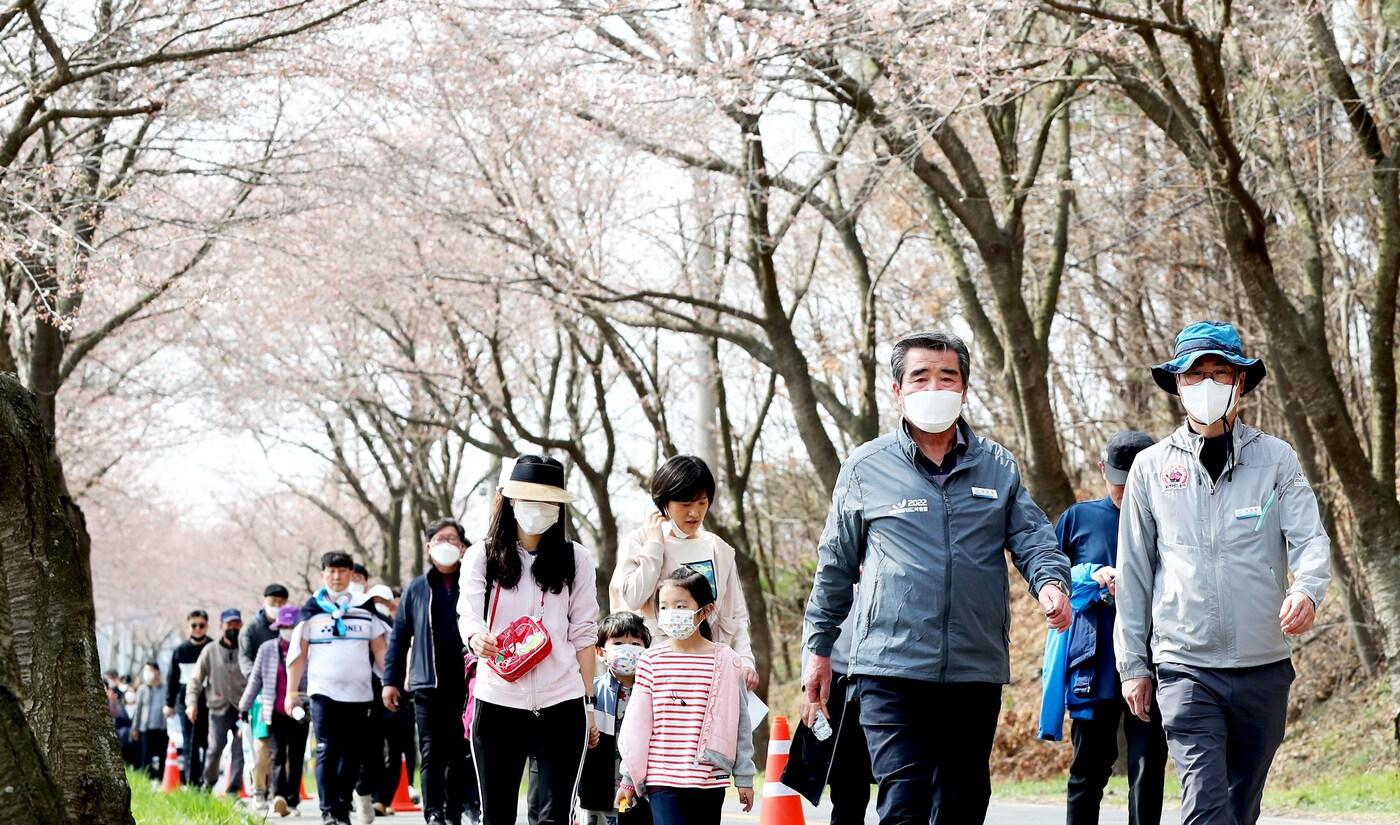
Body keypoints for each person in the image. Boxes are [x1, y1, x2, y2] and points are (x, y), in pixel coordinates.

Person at [802, 330, 1072, 825]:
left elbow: (1033, 537)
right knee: (904, 803)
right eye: (920, 377)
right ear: (897, 390)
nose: (934, 387)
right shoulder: (866, 467)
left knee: (963, 806)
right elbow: (835, 566)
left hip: (974, 667)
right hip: (890, 668)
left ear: (964, 389)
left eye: (947, 377)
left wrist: (1051, 583)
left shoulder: (997, 466)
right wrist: (817, 651)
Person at [1116, 321, 1331, 825]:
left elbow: (1310, 539)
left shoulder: (1276, 459)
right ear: (1178, 385)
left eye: (1220, 372)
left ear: (1240, 384)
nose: (1208, 384)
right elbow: (1134, 572)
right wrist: (1134, 666)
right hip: (1185, 667)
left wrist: (1308, 590)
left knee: (1240, 805)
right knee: (1205, 805)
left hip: (1264, 664)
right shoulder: (1149, 468)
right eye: (1196, 375)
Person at [459, 455, 600, 825]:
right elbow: (468, 613)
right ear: (510, 501)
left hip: (562, 701)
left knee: (556, 816)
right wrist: (476, 638)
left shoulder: (577, 559)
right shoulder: (482, 555)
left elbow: (584, 632)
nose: (539, 509)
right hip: (498, 700)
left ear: (558, 506)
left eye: (548, 501)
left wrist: (588, 703)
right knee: (497, 815)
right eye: (529, 499)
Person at [1041, 430, 1168, 825]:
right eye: (1118, 478)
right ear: (1102, 470)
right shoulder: (1079, 518)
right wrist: (1093, 577)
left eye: (1135, 479)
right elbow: (1047, 577)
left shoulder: (1171, 518)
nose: (1126, 489)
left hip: (1153, 658)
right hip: (1093, 662)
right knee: (1089, 769)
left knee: (1148, 769)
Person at [615, 568, 755, 823]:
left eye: (680, 606)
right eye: (664, 607)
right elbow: (637, 726)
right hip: (662, 780)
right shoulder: (651, 660)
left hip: (709, 781)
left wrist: (744, 776)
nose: (670, 614)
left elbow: (740, 724)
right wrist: (628, 778)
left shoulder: (726, 661)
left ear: (705, 610)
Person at [610, 456, 758, 690]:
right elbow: (633, 598)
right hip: (660, 675)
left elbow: (736, 614)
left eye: (701, 503)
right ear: (664, 503)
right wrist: (654, 547)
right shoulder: (638, 541)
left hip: (712, 673)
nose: (694, 513)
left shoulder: (718, 548)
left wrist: (746, 660)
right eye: (685, 504)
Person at [384, 517, 480, 825]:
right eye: (440, 540)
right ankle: (434, 812)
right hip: (427, 685)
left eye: (452, 540)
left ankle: (454, 810)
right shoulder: (416, 589)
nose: (446, 545)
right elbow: (399, 639)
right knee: (431, 753)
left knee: (460, 751)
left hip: (467, 684)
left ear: (463, 548)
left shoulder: (476, 584)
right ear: (428, 548)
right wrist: (391, 682)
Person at [286, 551, 390, 825]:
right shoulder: (311, 609)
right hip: (323, 692)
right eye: (331, 571)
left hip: (360, 693)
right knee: (327, 748)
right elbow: (298, 653)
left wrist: (390, 682)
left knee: (353, 753)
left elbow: (379, 648)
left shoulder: (364, 606)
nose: (337, 576)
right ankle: (329, 809)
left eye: (342, 571)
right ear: (323, 574)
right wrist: (291, 693)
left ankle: (343, 806)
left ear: (350, 574)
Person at [579, 612, 653, 825]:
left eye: (635, 643)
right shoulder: (589, 693)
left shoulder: (653, 693)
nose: (627, 649)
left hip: (643, 795)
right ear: (601, 652)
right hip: (598, 795)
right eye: (618, 643)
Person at [240, 604, 309, 817]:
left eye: (292, 626)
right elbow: (255, 680)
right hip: (275, 711)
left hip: (300, 711)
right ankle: (279, 796)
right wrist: (244, 705)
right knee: (278, 755)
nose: (287, 629)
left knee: (296, 756)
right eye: (284, 626)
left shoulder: (308, 648)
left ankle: (293, 800)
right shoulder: (267, 649)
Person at [187, 608, 249, 793]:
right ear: (221, 626)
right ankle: (208, 782)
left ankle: (234, 789)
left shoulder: (246, 649)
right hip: (218, 708)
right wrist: (191, 703)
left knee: (240, 750)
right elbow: (195, 680)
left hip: (242, 708)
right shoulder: (210, 650)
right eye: (229, 624)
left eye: (236, 624)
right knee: (214, 749)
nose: (233, 628)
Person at [241, 583, 290, 808]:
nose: (277, 606)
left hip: (286, 696)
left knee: (283, 751)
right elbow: (246, 661)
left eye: (281, 602)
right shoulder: (251, 629)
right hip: (261, 697)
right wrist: (261, 679)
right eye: (273, 602)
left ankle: (280, 794)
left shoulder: (291, 626)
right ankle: (259, 790)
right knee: (261, 748)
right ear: (265, 601)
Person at [166, 609, 212, 786]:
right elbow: (172, 679)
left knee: (209, 741)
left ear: (207, 626)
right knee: (189, 741)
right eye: (194, 625)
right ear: (188, 627)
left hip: (209, 700)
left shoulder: (213, 648)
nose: (198, 629)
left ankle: (208, 779)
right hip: (185, 701)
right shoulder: (180, 651)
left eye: (201, 625)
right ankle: (192, 782)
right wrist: (169, 703)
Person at [132, 660, 170, 781]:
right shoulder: (142, 689)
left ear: (157, 672)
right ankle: (145, 780)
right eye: (145, 671)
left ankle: (161, 779)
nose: (147, 673)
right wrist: (135, 727)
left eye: (150, 670)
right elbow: (137, 709)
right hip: (145, 727)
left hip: (162, 728)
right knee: (145, 755)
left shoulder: (165, 688)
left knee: (162, 755)